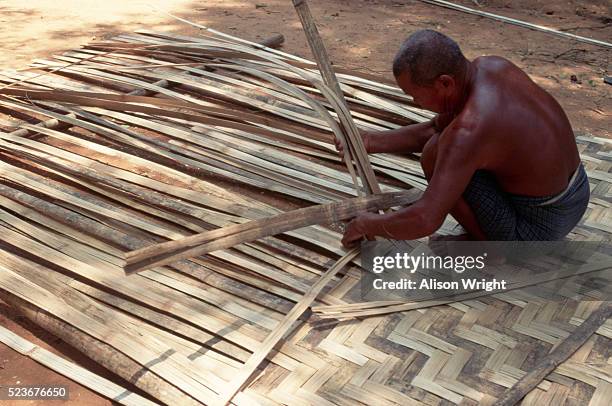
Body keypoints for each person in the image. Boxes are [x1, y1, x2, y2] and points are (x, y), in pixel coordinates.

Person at [338, 29, 589, 248]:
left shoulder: (470, 129)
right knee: (441, 143)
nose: (415, 102)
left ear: (445, 83)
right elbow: (435, 127)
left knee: (434, 154)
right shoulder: (492, 66)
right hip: (576, 194)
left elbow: (425, 219)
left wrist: (365, 224)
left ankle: (494, 248)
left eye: (415, 95)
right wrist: (367, 141)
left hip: (536, 230)